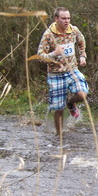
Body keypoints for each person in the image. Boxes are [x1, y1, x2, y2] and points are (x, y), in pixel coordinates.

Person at [37, 7, 88, 136]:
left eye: (68, 18)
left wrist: (82, 56)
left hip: (72, 70)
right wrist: (54, 53)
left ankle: (70, 103)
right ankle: (59, 136)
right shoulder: (48, 34)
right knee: (58, 108)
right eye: (64, 18)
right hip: (55, 74)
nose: (67, 21)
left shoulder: (74, 30)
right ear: (56, 19)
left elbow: (82, 42)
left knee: (82, 94)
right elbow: (40, 56)